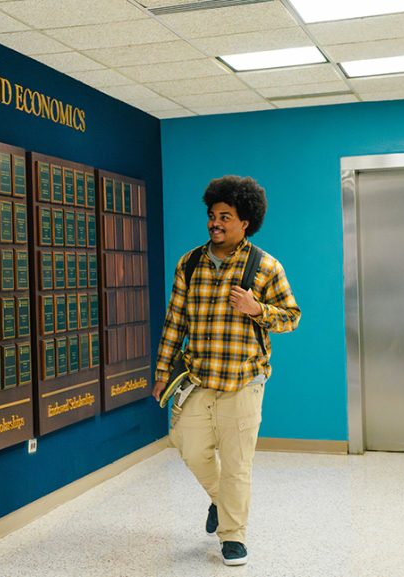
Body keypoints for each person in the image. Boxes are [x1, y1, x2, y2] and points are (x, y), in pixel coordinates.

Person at [152, 175, 300, 566]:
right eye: (212, 215)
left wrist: (257, 309)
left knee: (237, 465)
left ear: (244, 222)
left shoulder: (265, 266)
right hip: (199, 379)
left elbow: (291, 317)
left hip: (244, 382)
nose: (214, 223)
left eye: (225, 216)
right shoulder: (191, 262)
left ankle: (233, 536)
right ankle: (220, 501)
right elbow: (175, 321)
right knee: (185, 442)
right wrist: (162, 371)